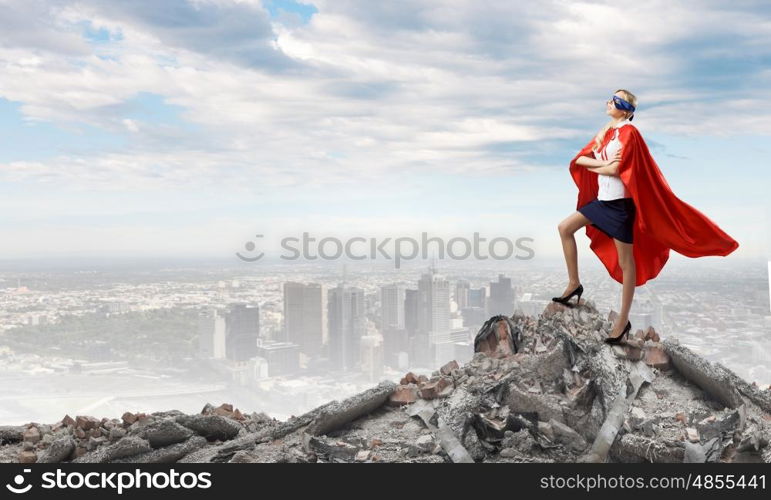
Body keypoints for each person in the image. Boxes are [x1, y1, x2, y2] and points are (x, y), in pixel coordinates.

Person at [553, 89, 739, 344]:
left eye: (616, 100)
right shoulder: (607, 133)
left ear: (627, 110)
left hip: (620, 207)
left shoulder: (630, 133)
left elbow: (618, 169)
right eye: (611, 98)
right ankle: (574, 284)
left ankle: (623, 321)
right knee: (565, 228)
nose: (609, 102)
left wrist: (603, 166)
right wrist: (600, 166)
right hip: (601, 202)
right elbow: (581, 160)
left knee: (626, 263)